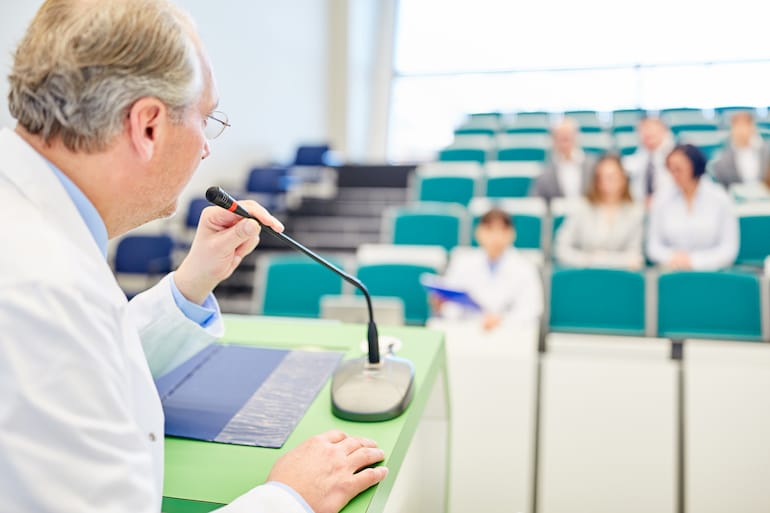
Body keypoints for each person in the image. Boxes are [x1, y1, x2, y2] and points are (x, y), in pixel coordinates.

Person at [0, 1, 386, 513]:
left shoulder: (34, 239)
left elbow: (91, 358)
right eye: (206, 118)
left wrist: (193, 281)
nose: (206, 148)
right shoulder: (41, 289)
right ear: (149, 127)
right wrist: (290, 498)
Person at [430, 209, 543, 330]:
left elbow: (532, 308)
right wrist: (442, 306)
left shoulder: (525, 268)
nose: (495, 236)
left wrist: (501, 320)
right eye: (489, 229)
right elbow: (452, 305)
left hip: (509, 334)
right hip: (467, 332)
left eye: (502, 230)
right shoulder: (462, 263)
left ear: (512, 234)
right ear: (478, 233)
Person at [647, 144, 739, 270]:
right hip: (671, 271)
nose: (674, 175)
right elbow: (653, 246)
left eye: (679, 169)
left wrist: (694, 261)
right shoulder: (661, 198)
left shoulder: (720, 198)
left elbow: (729, 249)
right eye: (671, 169)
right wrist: (671, 257)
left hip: (712, 272)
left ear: (694, 166)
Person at [554, 154, 645, 269]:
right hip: (584, 274)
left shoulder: (635, 212)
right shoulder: (581, 207)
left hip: (620, 278)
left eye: (611, 176)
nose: (606, 182)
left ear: (623, 178)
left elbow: (635, 257)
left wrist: (602, 259)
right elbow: (561, 248)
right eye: (601, 177)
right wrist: (586, 260)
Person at [530, 117, 594, 202]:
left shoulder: (593, 166)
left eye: (568, 137)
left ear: (577, 137)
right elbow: (536, 201)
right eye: (561, 138)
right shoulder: (544, 172)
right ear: (553, 140)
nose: (565, 143)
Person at [622, 117, 676, 202]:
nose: (646, 133)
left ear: (664, 131)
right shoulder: (639, 155)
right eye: (642, 130)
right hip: (640, 207)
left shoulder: (677, 156)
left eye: (650, 128)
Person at [711, 111, 770, 188]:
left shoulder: (767, 151)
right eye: (738, 126)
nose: (742, 131)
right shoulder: (723, 160)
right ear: (732, 129)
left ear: (752, 127)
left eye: (745, 125)